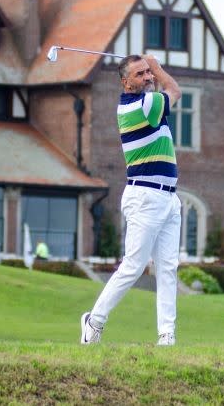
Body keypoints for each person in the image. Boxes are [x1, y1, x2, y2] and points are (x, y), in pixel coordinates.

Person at [80, 54, 182, 346]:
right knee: (134, 265)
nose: (148, 78)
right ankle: (94, 321)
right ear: (126, 82)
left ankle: (166, 335)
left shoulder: (150, 104)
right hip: (146, 196)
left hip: (167, 198)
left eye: (148, 73)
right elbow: (175, 90)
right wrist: (159, 66)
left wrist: (150, 67)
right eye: (140, 74)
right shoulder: (142, 105)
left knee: (167, 268)